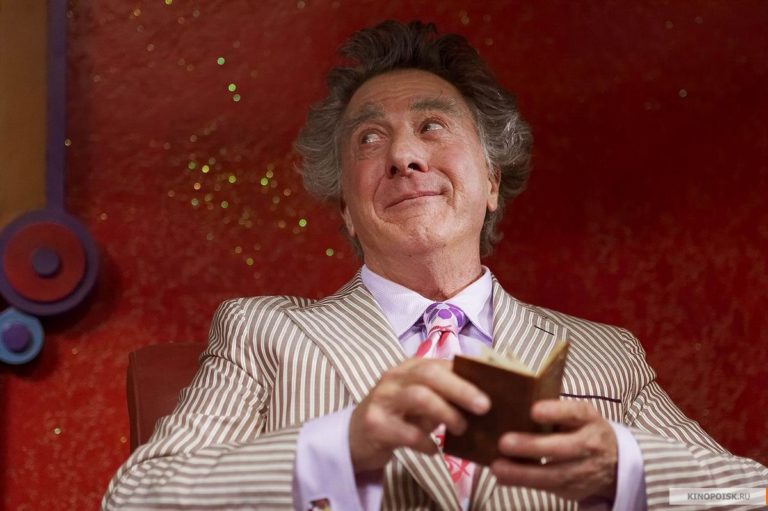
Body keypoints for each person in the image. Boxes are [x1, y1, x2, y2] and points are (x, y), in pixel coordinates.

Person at [102, 20, 767, 511]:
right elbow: (136, 497)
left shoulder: (607, 354)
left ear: (492, 180)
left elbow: (748, 493)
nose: (404, 157)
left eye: (432, 126)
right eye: (370, 138)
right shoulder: (262, 333)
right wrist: (344, 444)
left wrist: (626, 469)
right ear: (346, 207)